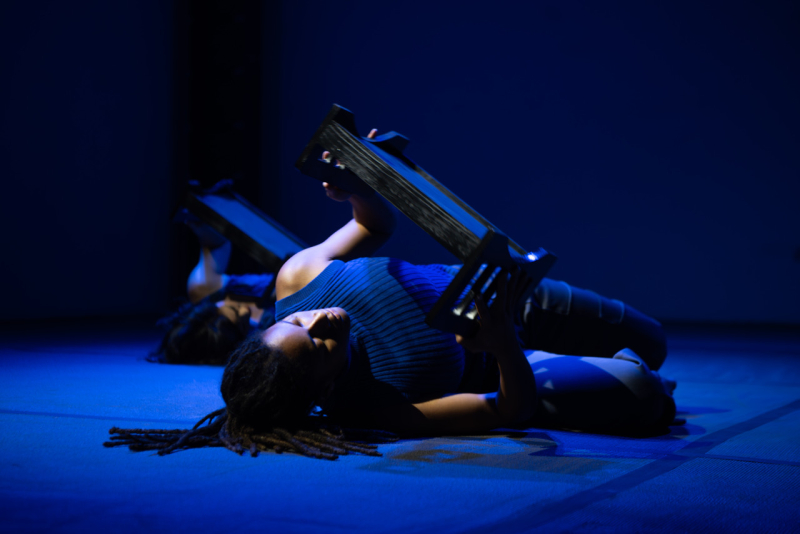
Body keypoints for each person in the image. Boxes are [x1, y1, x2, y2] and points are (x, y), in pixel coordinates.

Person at [110, 130, 675, 459]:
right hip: (513, 357)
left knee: (653, 339)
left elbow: (374, 228)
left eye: (301, 326)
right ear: (321, 393)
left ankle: (604, 364)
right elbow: (509, 409)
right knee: (643, 390)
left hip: (516, 294)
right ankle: (603, 373)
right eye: (321, 348)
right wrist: (502, 347)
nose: (323, 322)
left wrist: (362, 185)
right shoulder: (374, 408)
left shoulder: (297, 282)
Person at [150, 213, 277, 365]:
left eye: (234, 309)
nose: (245, 311)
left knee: (199, 287)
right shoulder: (271, 335)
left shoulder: (205, 291)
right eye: (243, 326)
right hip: (304, 281)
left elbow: (219, 244)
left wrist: (204, 217)